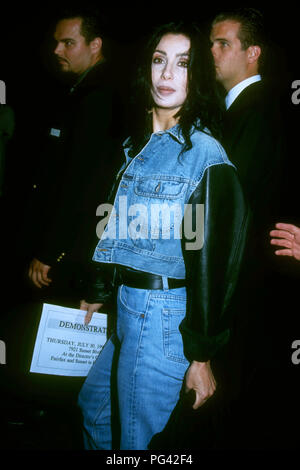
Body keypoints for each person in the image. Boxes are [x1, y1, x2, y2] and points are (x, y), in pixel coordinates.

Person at [77, 21, 249, 451]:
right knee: (93, 410)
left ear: (199, 77)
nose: (167, 74)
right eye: (159, 60)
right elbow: (113, 221)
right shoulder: (134, 146)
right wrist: (100, 287)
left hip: (163, 316)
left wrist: (202, 354)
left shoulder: (205, 154)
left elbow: (215, 263)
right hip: (126, 306)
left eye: (183, 64)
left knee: (139, 444)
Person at [209, 7, 287, 448]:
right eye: (211, 44)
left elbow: (231, 200)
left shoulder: (256, 111)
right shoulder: (236, 111)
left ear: (252, 53)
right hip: (241, 277)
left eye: (223, 44)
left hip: (242, 279)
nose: (213, 53)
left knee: (230, 396)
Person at [22, 7, 123, 306]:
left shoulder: (98, 98)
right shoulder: (81, 90)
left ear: (95, 45)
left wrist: (51, 250)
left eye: (68, 42)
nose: (56, 50)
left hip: (74, 250)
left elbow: (82, 182)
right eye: (56, 42)